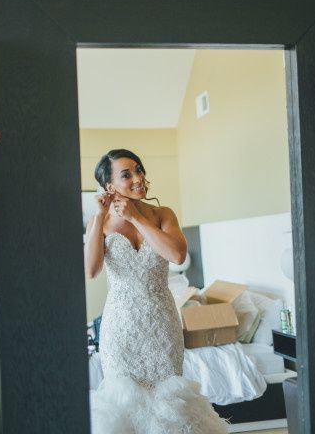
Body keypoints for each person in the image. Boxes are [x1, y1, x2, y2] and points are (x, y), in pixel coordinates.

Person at [84, 149, 227, 434]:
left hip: (162, 323)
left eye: (139, 170)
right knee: (123, 401)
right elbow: (91, 270)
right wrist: (100, 217)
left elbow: (176, 255)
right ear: (110, 186)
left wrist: (137, 218)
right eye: (127, 174)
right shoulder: (99, 222)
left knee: (169, 400)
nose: (138, 178)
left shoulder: (162, 214)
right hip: (121, 327)